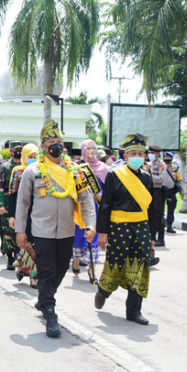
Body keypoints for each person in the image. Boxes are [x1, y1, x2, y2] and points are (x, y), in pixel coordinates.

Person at [15, 121, 96, 338]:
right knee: (47, 271)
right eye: (52, 143)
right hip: (42, 230)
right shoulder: (32, 171)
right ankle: (51, 313)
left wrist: (90, 223)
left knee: (61, 270)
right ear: (43, 146)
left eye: (59, 142)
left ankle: (43, 300)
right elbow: (22, 203)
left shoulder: (75, 170)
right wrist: (20, 231)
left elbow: (87, 199)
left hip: (67, 231)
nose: (56, 146)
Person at [94, 133, 155, 325]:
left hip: (141, 227)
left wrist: (153, 235)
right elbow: (106, 206)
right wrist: (102, 233)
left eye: (140, 153)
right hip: (119, 227)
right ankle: (104, 290)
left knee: (139, 267)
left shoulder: (147, 177)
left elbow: (151, 209)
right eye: (133, 153)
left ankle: (134, 311)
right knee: (116, 265)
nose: (137, 156)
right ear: (126, 156)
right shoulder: (115, 174)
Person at [72, 139, 108, 284]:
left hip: (97, 208)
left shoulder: (104, 168)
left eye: (94, 148)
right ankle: (76, 260)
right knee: (80, 236)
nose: (92, 151)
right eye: (88, 148)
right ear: (83, 150)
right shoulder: (77, 167)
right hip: (81, 208)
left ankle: (92, 268)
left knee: (94, 237)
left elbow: (110, 188)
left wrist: (103, 194)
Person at [7, 143, 40, 288]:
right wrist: (12, 216)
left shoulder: (42, 170)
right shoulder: (18, 172)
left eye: (35, 156)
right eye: (30, 157)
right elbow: (13, 196)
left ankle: (25, 267)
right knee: (27, 243)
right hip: (24, 213)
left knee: (37, 244)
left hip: (39, 213)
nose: (33, 159)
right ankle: (33, 276)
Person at [0, 141, 23, 270]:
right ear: (11, 152)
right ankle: (10, 257)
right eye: (16, 150)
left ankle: (18, 252)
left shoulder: (26, 166)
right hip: (7, 202)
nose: (18, 152)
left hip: (22, 202)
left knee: (20, 229)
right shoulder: (5, 167)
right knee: (8, 231)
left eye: (20, 150)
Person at [148, 144, 170, 247]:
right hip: (149, 190)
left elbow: (161, 179)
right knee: (150, 214)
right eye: (150, 153)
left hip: (158, 191)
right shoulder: (148, 163)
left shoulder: (161, 164)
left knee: (158, 214)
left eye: (153, 153)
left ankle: (161, 238)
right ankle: (152, 236)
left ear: (158, 154)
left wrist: (148, 177)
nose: (150, 155)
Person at [163, 152, 185, 233]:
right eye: (166, 157)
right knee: (159, 208)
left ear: (172, 159)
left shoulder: (175, 168)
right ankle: (159, 224)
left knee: (171, 207)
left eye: (169, 157)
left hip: (171, 190)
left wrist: (182, 192)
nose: (167, 159)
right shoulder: (160, 166)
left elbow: (179, 180)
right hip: (160, 190)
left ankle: (169, 225)